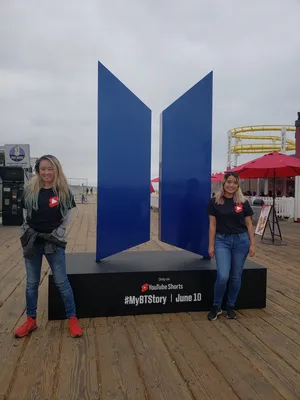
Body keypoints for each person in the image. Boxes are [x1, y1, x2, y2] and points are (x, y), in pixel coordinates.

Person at [14, 155, 83, 338]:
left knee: (61, 282)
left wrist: (57, 232)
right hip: (33, 240)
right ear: (38, 170)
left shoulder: (64, 191)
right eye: (43, 169)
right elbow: (25, 213)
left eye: (50, 168)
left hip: (54, 241)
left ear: (57, 169)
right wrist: (27, 233)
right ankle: (31, 320)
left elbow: (67, 216)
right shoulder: (30, 189)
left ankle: (72, 318)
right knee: (31, 283)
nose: (46, 172)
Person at [206, 171, 255, 321]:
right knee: (223, 276)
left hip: (241, 241)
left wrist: (252, 244)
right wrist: (211, 245)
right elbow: (212, 225)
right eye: (229, 182)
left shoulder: (243, 202)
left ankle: (230, 306)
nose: (231, 185)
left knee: (235, 276)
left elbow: (249, 224)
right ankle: (216, 306)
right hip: (222, 241)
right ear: (224, 183)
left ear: (238, 185)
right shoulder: (214, 201)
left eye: (235, 183)